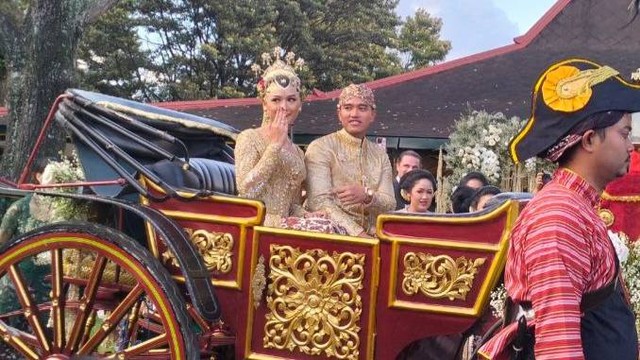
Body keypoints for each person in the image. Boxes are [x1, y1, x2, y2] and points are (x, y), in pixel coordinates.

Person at [479, 59, 639, 360]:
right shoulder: (559, 216)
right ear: (590, 139)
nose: (631, 146)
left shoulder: (576, 206)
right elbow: (557, 346)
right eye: (624, 133)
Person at [235, 52, 332, 230]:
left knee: (330, 226)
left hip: (287, 227)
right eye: (276, 100)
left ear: (300, 105)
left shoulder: (298, 152)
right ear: (264, 103)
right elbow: (246, 192)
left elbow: (291, 203)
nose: (284, 107)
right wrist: (274, 146)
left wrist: (306, 215)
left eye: (291, 100)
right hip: (258, 225)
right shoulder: (249, 138)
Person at [305, 83, 395, 237]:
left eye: (362, 108)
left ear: (372, 114)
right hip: (333, 238)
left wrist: (366, 195)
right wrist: (359, 235)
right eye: (348, 107)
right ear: (339, 113)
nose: (354, 114)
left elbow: (390, 205)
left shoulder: (380, 155)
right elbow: (318, 202)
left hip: (375, 236)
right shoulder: (321, 147)